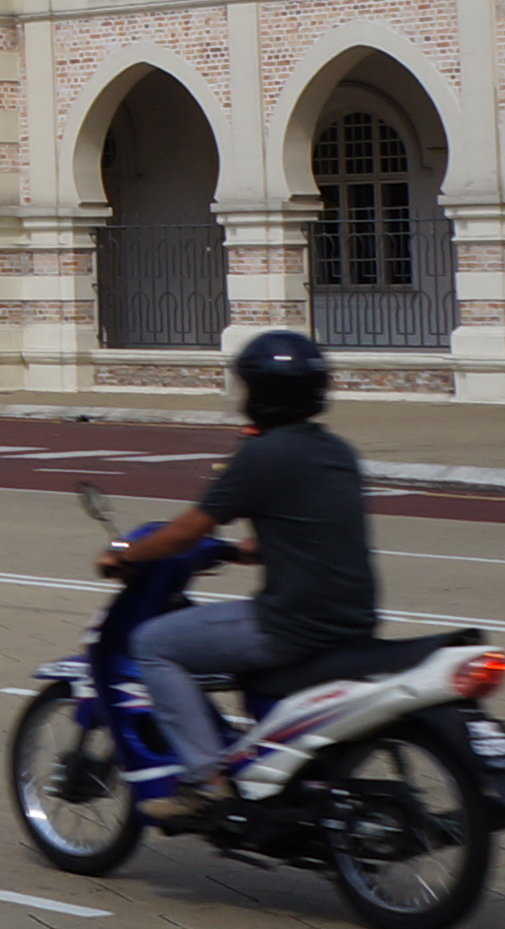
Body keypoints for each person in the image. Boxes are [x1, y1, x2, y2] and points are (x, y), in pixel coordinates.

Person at [95, 327, 374, 827]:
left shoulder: (262, 454)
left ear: (259, 393)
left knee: (153, 644)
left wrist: (127, 553)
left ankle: (205, 780)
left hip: (290, 623)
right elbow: (311, 525)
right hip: (352, 619)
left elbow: (185, 533)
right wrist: (252, 551)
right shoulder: (337, 451)